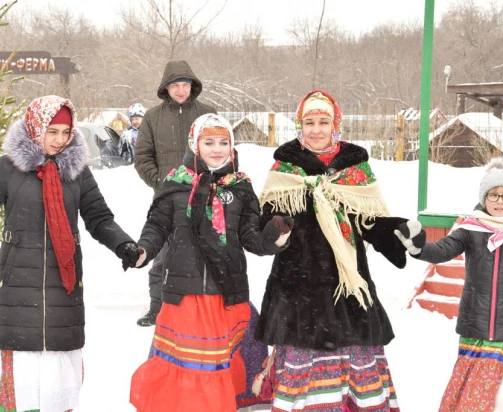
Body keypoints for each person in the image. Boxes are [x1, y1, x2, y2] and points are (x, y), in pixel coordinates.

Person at [0, 95, 140, 412]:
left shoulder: (78, 171)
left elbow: (99, 218)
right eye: (53, 131)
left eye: (66, 132)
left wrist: (124, 245)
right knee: (23, 385)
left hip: (63, 292)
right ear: (35, 127)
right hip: (19, 286)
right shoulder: (8, 168)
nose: (60, 140)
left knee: (59, 381)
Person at [255, 90, 407, 412]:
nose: (316, 129)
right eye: (309, 122)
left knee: (353, 359)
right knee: (304, 366)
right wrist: (275, 228)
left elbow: (370, 221)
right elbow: (265, 222)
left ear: (335, 124)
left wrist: (396, 234)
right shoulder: (286, 169)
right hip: (298, 289)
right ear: (299, 126)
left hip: (348, 288)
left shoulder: (355, 170)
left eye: (323, 121)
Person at [129, 113, 293, 412]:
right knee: (186, 369)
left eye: (223, 142)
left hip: (224, 295)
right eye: (209, 142)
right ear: (195, 144)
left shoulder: (241, 187)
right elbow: (157, 226)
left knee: (213, 368)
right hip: (183, 295)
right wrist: (142, 251)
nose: (216, 149)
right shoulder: (176, 182)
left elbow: (251, 238)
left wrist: (275, 238)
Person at [395, 157, 503, 411]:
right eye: (493, 195)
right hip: (475, 329)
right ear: (483, 199)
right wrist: (417, 246)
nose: (500, 201)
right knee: (472, 398)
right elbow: (440, 251)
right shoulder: (470, 229)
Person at [133, 60, 216, 327]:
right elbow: (142, 157)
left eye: (185, 85)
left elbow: (223, 151)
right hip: (167, 199)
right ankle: (157, 308)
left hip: (205, 197)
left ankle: (207, 309)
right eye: (175, 85)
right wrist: (159, 182)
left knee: (208, 253)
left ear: (192, 86)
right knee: (164, 254)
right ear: (165, 88)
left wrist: (213, 181)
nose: (180, 90)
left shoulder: (207, 114)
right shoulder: (153, 117)